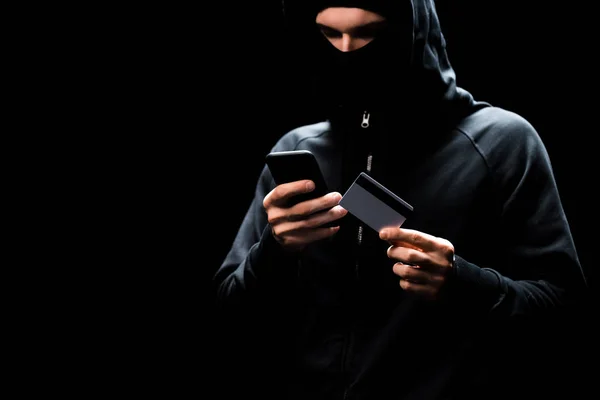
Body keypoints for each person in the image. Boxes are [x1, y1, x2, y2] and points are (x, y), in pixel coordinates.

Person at [212, 1, 589, 399]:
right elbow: (230, 315)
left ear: (413, 34)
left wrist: (461, 283)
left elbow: (564, 312)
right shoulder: (298, 147)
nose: (345, 50)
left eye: (368, 33)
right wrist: (275, 251)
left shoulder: (501, 142)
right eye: (328, 34)